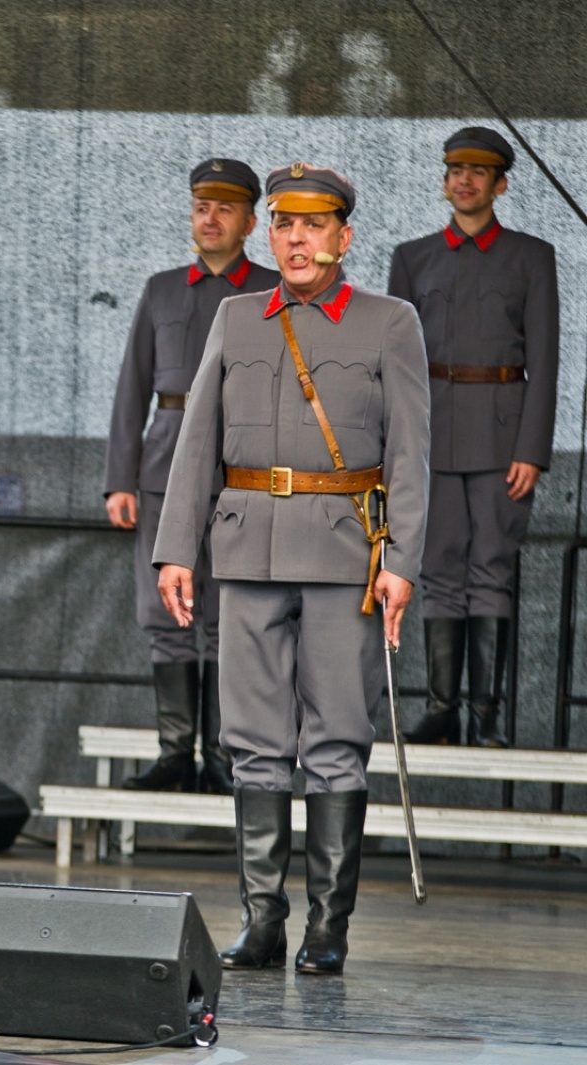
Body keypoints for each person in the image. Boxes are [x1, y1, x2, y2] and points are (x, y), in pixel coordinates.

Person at [155, 163, 429, 975]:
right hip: (246, 550)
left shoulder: (390, 322)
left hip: (346, 555)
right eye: (284, 224)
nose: (297, 238)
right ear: (267, 235)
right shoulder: (239, 318)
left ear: (345, 237)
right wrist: (178, 546)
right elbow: (196, 438)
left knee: (338, 740)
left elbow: (413, 454)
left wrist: (403, 561)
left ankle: (327, 928)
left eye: (315, 225)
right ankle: (263, 921)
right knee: (254, 744)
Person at [105, 158, 280, 796]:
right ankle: (176, 754)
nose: (209, 218)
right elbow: (132, 391)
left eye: (224, 208)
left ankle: (225, 759)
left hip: (241, 470)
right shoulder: (161, 290)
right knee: (165, 612)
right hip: (164, 464)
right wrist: (119, 479)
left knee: (228, 611)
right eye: (201, 206)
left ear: (249, 222)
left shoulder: (268, 290)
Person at [388, 127, 558, 749]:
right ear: (444, 180)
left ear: (500, 184)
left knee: (491, 569)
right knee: (437, 568)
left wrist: (533, 448)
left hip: (502, 434)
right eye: (455, 168)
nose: (465, 179)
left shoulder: (531, 257)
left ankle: (484, 715)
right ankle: (441, 710)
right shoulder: (413, 258)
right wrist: (398, 447)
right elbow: (395, 364)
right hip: (431, 435)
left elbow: (546, 357)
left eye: (479, 171)